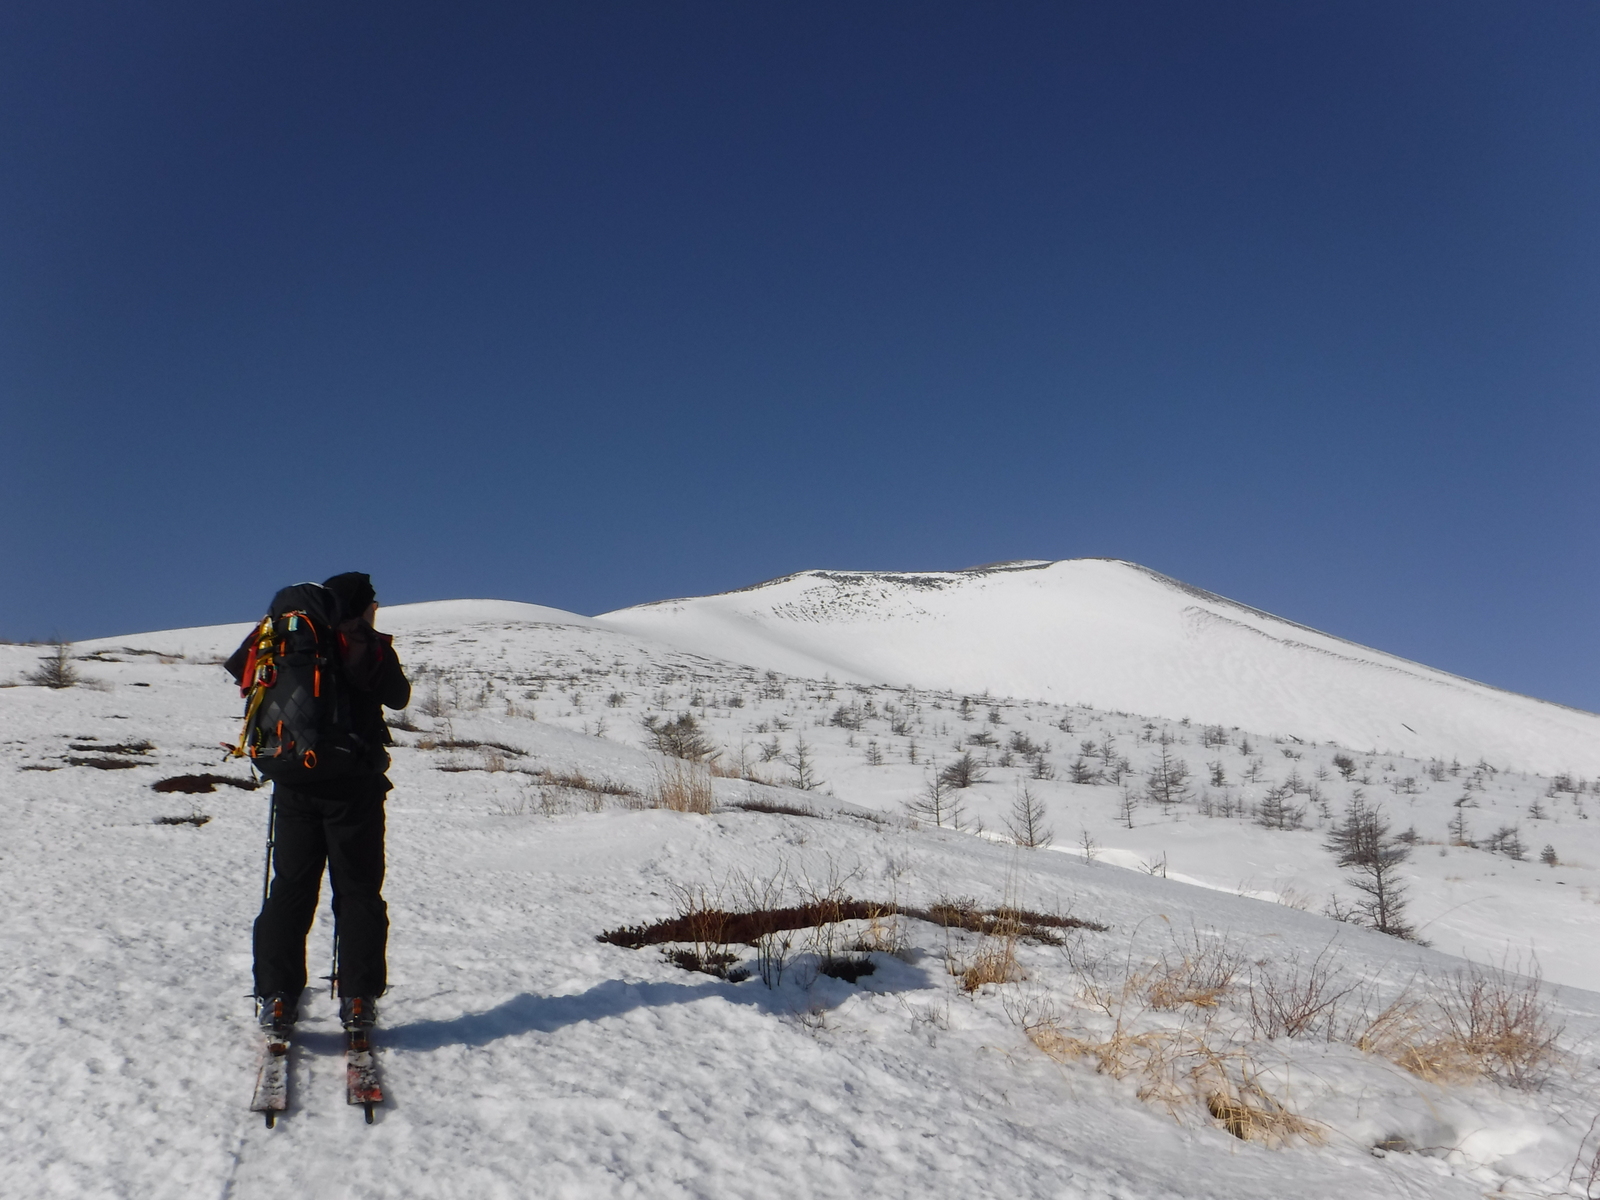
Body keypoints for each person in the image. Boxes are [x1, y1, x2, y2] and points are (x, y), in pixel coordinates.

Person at [224, 572, 410, 1035]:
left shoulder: (286, 634)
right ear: (361, 605)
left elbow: (240, 674)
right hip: (354, 789)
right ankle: (358, 1000)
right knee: (358, 891)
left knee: (290, 888)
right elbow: (399, 696)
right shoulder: (361, 640)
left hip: (294, 783)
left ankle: (279, 999)